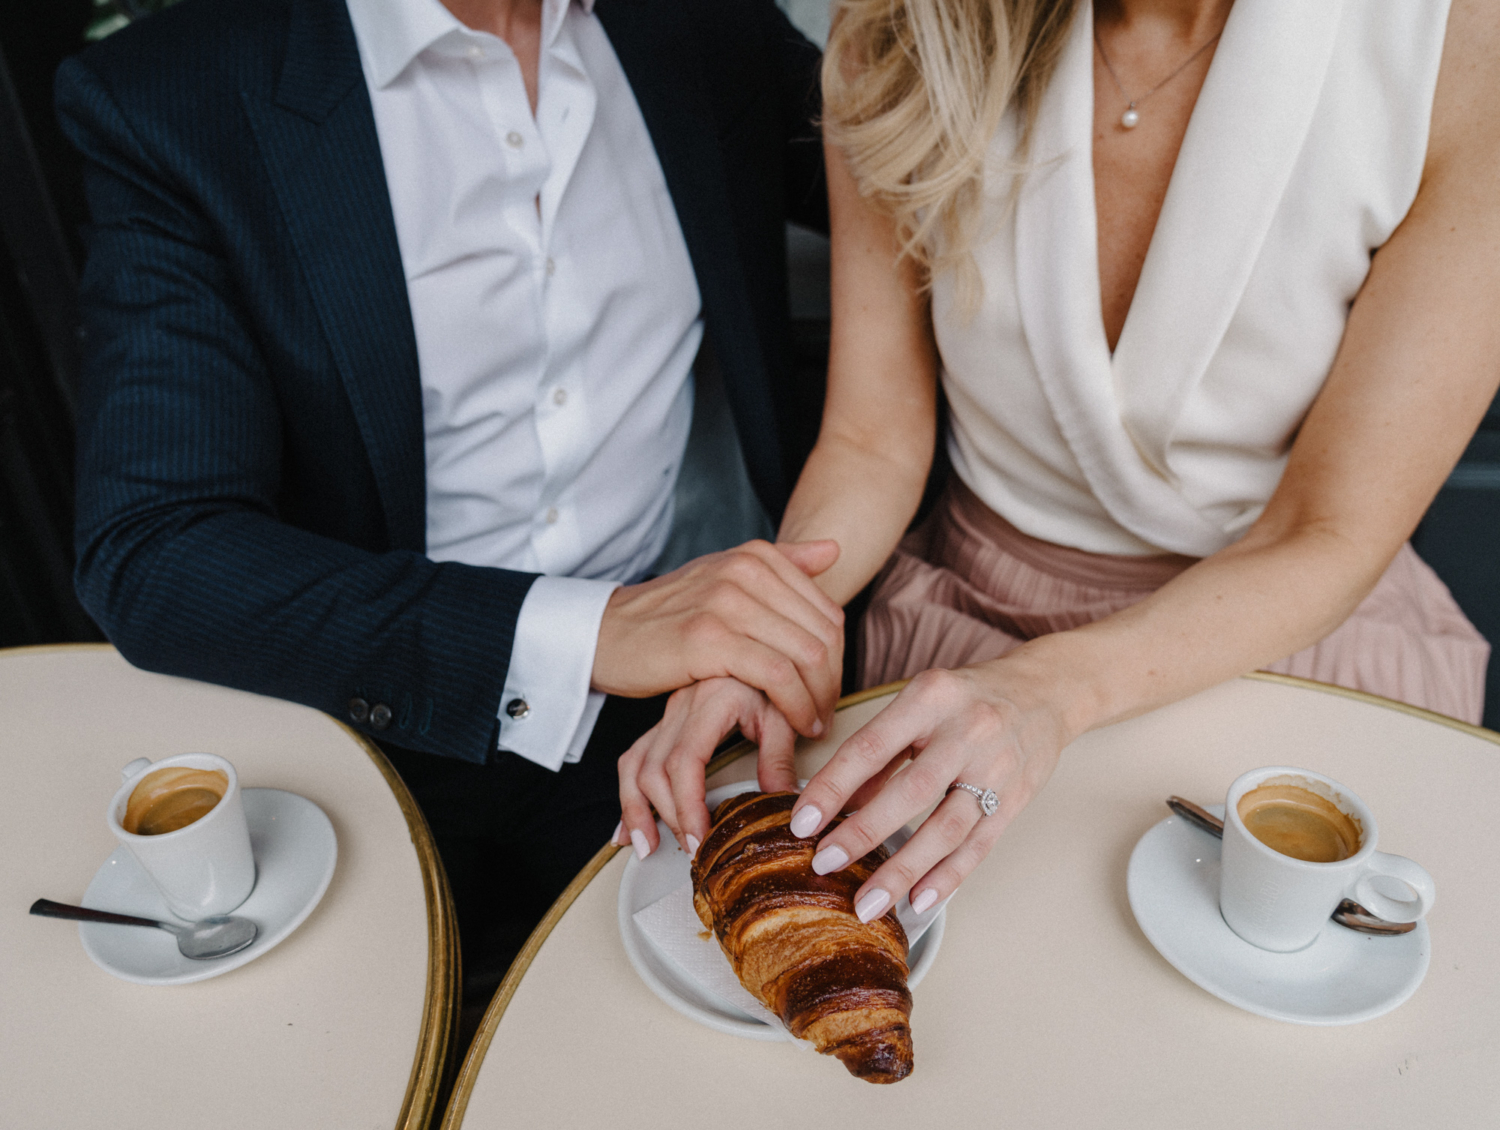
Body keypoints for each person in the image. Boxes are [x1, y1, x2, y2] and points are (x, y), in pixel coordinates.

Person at [618, 0, 1500, 931]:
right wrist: (774, 629)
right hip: (966, 626)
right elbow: (872, 440)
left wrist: (1047, 691)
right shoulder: (901, 25)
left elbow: (1330, 527)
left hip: (1284, 634)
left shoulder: (1458, 48)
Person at [54, 0, 840, 982]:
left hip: (686, 701)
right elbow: (154, 548)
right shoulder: (182, 95)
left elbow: (926, 173)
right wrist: (589, 630)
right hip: (361, 714)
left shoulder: (698, 19)